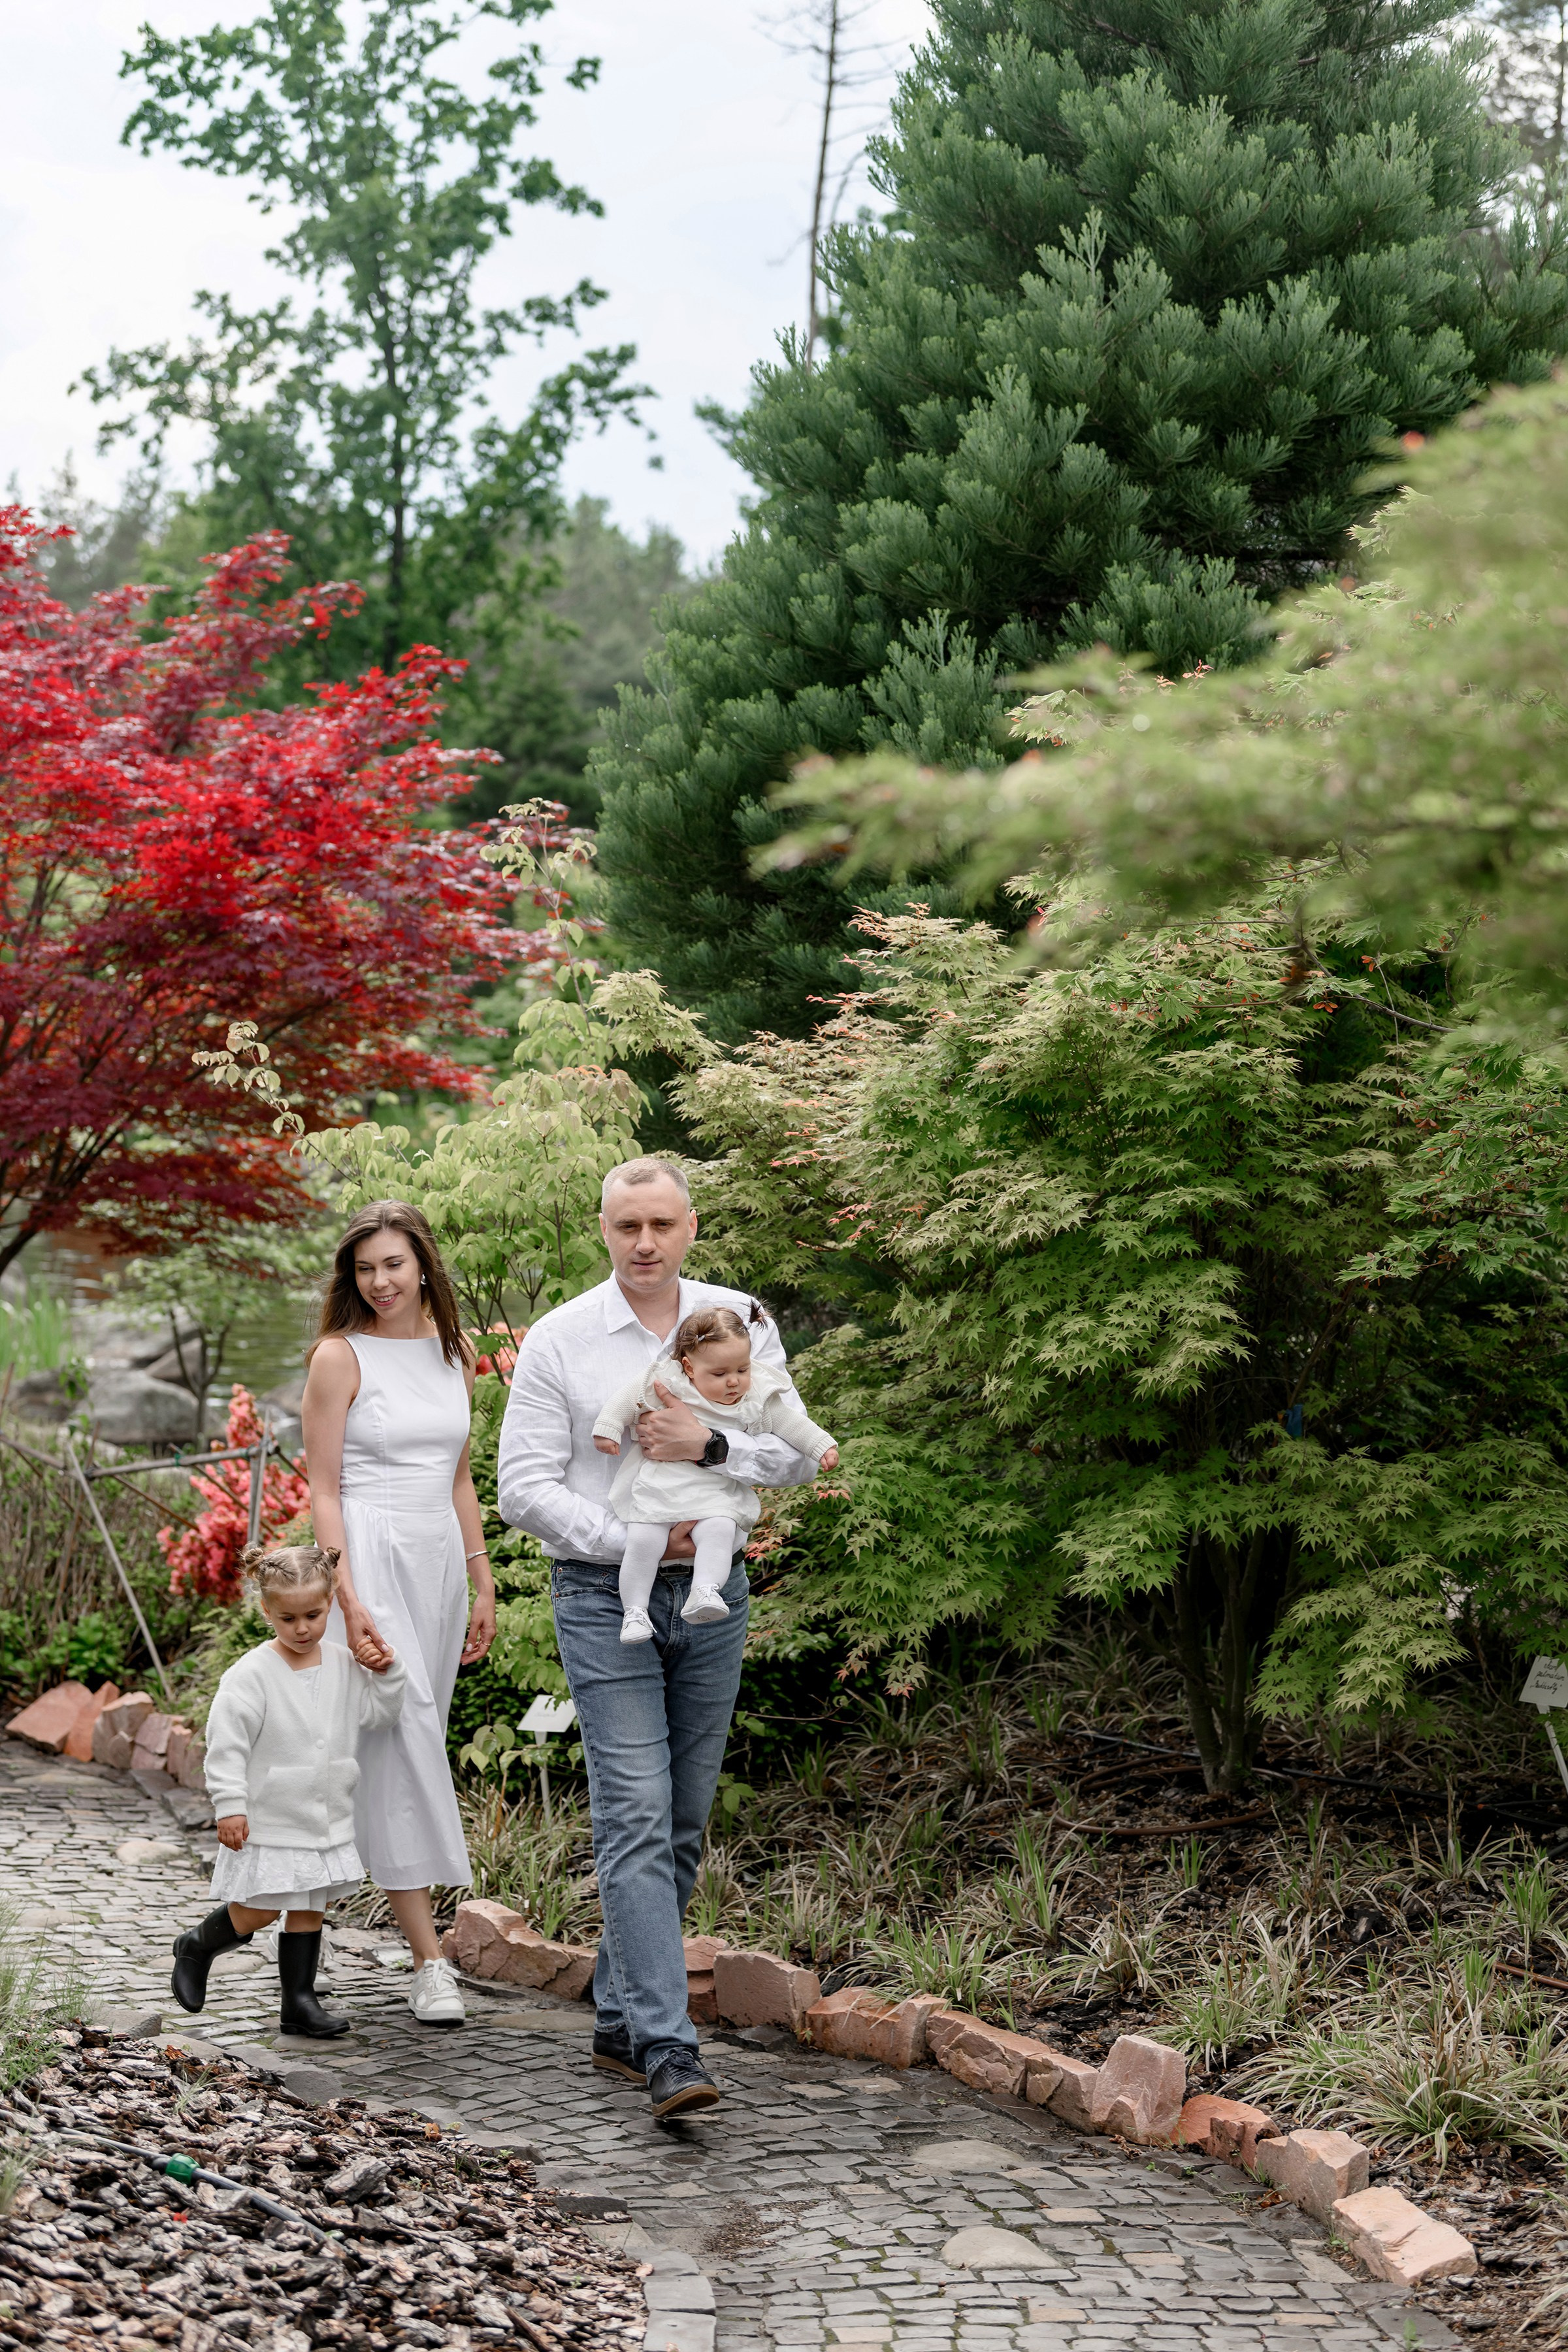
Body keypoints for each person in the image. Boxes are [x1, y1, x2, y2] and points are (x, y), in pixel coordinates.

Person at [498, 1156, 822, 2119]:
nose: (644, 1244)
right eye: (626, 1227)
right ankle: (667, 2048)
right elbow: (521, 1486)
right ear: (605, 1230)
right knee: (635, 1814)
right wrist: (631, 1535)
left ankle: (617, 2014)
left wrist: (710, 1449)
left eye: (662, 1226)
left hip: (719, 1593)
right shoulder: (561, 1339)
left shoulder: (740, 1320)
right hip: (607, 1598)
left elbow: (792, 1460)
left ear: (690, 1226)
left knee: (680, 1817)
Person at [301, 1198, 497, 2027]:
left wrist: (483, 1578)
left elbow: (457, 1478)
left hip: (438, 1566)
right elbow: (321, 1487)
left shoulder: (455, 1355)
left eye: (394, 1264)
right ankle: (429, 1961)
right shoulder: (340, 1357)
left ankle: (271, 1927)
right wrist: (346, 1598)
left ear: (423, 1264)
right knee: (407, 1733)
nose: (380, 1282)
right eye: (365, 1268)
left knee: (398, 1747)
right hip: (370, 1557)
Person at [171, 1542, 406, 2036]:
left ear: (331, 1602)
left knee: (308, 1907)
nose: (302, 1628)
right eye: (288, 1618)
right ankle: (198, 1944)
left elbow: (377, 1717)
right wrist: (230, 1805)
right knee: (262, 1906)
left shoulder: (344, 1664)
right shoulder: (251, 1675)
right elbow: (226, 1746)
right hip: (273, 1815)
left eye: (314, 1615)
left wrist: (386, 1674)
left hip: (325, 1814)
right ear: (267, 1611)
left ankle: (298, 2002)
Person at [593, 1303, 838, 1642]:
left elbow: (790, 1423)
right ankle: (634, 1612)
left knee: (720, 1530)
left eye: (742, 1368)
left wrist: (821, 1445)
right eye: (720, 1374)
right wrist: (607, 1427)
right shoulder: (670, 1381)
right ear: (689, 1368)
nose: (734, 1381)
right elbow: (628, 1397)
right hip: (662, 1484)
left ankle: (705, 1591)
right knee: (643, 1540)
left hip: (715, 1490)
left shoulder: (753, 1398)